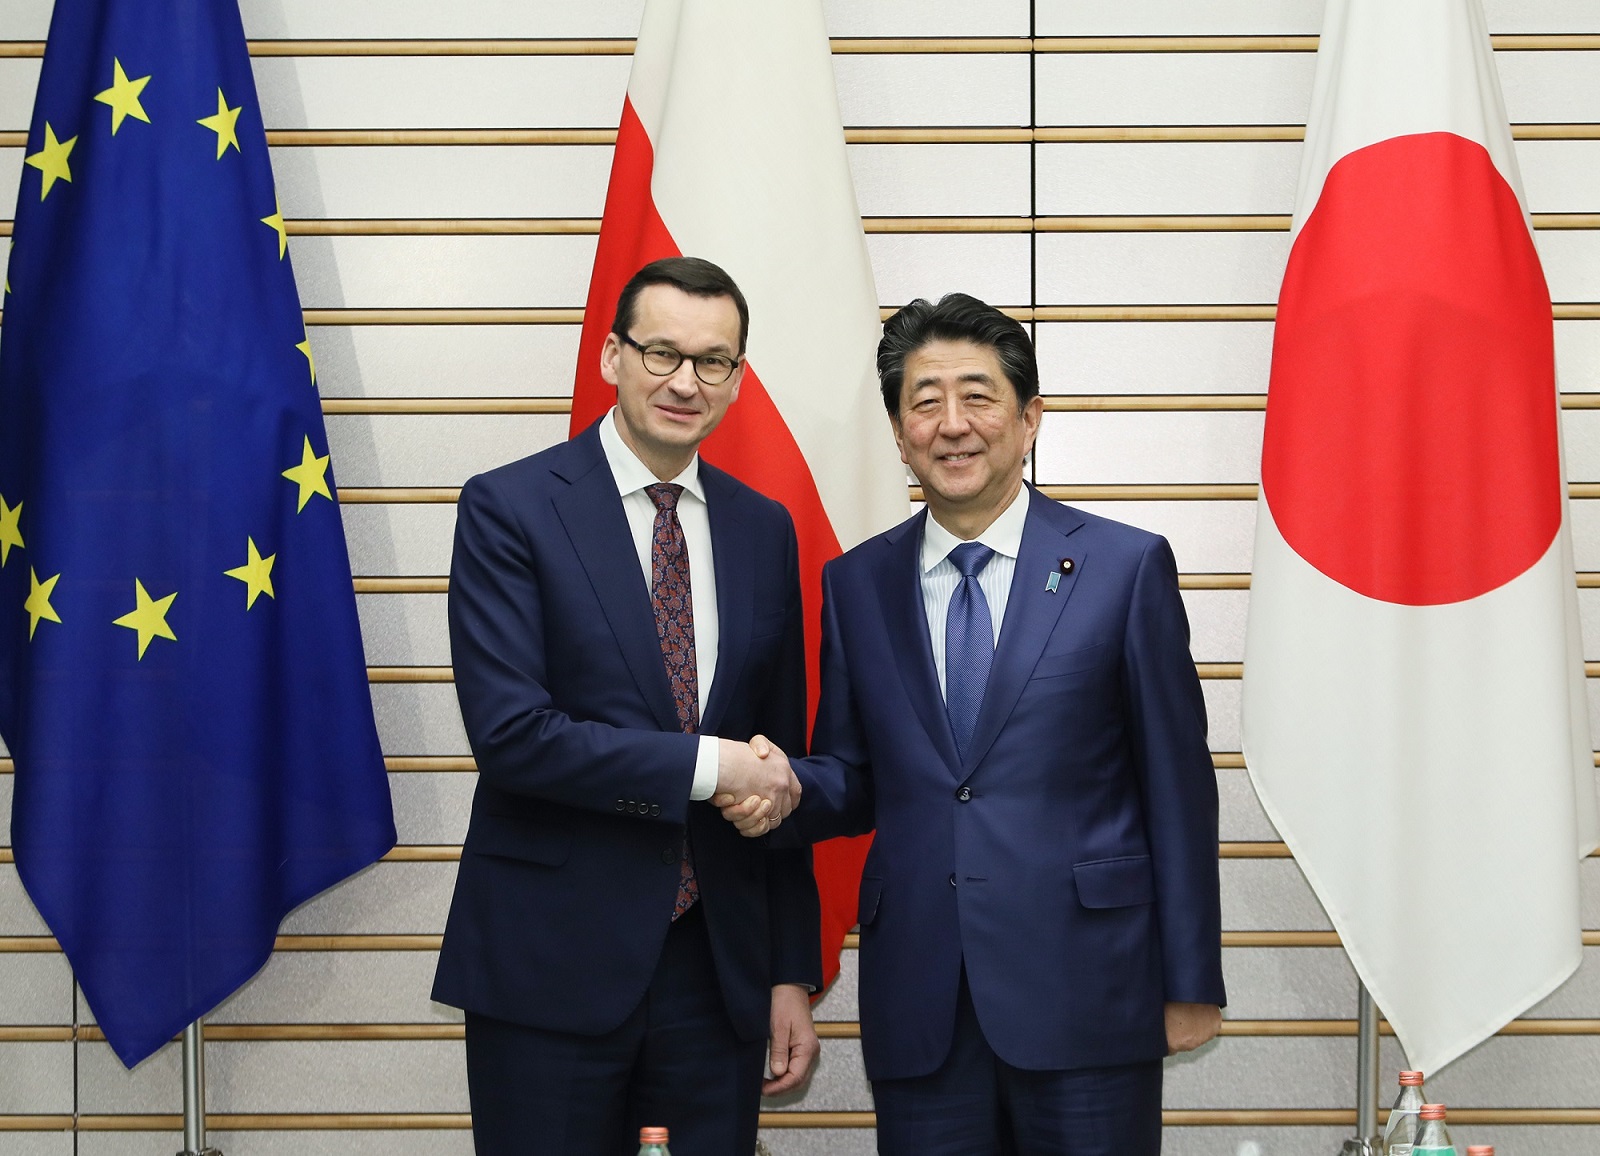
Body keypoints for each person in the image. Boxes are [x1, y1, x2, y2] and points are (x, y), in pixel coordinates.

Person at [721, 293, 1225, 1155]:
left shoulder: (1124, 566)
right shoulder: (857, 584)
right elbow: (855, 772)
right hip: (923, 998)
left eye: (978, 395)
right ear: (897, 429)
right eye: (924, 401)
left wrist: (1190, 981)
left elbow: (1177, 787)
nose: (952, 424)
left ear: (1028, 419)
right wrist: (784, 784)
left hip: (1089, 993)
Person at [434, 257, 821, 1153]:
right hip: (550, 965)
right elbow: (512, 736)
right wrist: (707, 765)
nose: (685, 381)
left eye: (713, 361)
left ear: (735, 380)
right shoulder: (512, 507)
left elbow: (779, 759)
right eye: (661, 352)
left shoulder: (764, 528)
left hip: (715, 972)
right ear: (611, 356)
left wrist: (787, 972)